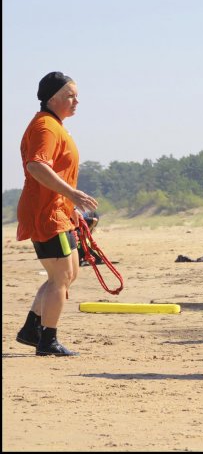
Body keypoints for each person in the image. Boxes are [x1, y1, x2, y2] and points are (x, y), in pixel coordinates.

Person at [15, 71, 98, 357]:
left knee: (67, 274)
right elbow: (36, 166)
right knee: (60, 277)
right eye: (69, 95)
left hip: (59, 210)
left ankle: (31, 329)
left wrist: (70, 204)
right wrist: (72, 194)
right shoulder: (46, 127)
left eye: (76, 95)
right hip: (45, 212)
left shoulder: (55, 125)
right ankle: (47, 340)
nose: (76, 101)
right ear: (52, 98)